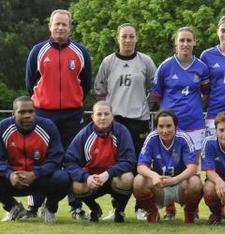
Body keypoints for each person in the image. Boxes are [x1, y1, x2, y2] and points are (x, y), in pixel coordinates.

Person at [24, 9, 90, 219]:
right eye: (57, 24)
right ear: (50, 26)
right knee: (40, 158)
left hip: (72, 114)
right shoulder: (37, 51)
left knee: (72, 159)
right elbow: (30, 84)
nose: (61, 27)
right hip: (43, 113)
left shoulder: (81, 52)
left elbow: (85, 83)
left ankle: (75, 206)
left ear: (70, 27)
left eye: (65, 24)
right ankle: (34, 206)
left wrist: (73, 100)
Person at [94, 23, 156, 221]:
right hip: (117, 122)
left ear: (136, 38)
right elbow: (100, 91)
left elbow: (155, 89)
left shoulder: (145, 61)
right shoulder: (108, 62)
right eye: (124, 36)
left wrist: (145, 106)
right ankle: (117, 208)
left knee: (140, 165)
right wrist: (107, 113)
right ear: (118, 38)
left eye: (131, 36)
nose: (128, 40)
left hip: (139, 120)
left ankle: (141, 207)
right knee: (117, 166)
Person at [0, 96, 70, 223]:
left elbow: (57, 157)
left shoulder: (48, 126)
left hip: (40, 178)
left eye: (31, 112)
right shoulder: (3, 127)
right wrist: (9, 174)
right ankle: (13, 208)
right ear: (13, 114)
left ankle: (49, 208)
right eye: (22, 112)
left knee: (64, 178)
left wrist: (36, 173)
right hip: (13, 179)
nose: (27, 115)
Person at [64, 101, 136, 223]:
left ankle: (119, 211)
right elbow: (69, 162)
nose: (103, 117)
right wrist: (86, 177)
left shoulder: (122, 131)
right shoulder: (84, 135)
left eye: (106, 114)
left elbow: (129, 161)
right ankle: (94, 209)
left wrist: (108, 173)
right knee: (76, 185)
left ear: (112, 115)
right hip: (93, 179)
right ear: (93, 117)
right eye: (99, 114)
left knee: (128, 177)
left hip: (114, 177)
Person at [133, 109, 203, 224]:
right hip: (160, 186)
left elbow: (193, 167)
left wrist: (175, 179)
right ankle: (152, 212)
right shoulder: (151, 138)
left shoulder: (183, 138)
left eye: (169, 126)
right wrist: (154, 175)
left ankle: (190, 213)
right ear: (156, 127)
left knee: (195, 183)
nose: (165, 130)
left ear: (175, 125)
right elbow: (140, 167)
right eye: (161, 126)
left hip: (180, 185)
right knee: (138, 181)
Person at [151, 26, 210, 152]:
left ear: (194, 42)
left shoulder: (202, 67)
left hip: (194, 122)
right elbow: (156, 95)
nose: (185, 44)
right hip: (170, 124)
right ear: (176, 42)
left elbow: (206, 94)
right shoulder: (165, 67)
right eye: (182, 40)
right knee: (169, 162)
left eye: (189, 40)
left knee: (194, 164)